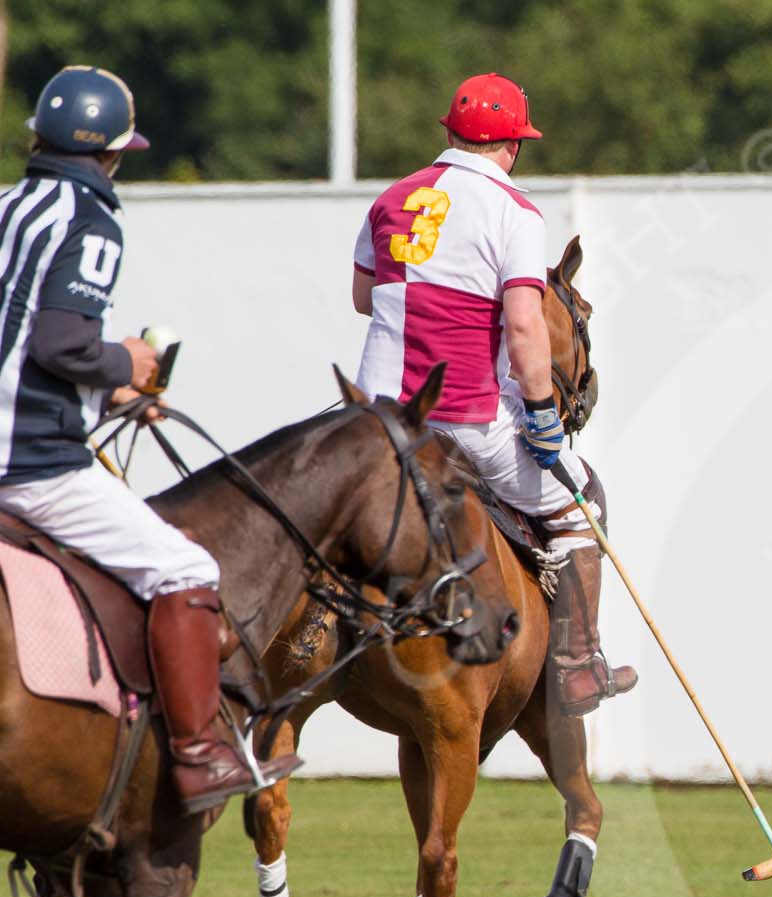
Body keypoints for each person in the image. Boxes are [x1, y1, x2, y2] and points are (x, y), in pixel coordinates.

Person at [0, 67, 297, 811]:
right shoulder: (91, 222)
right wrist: (126, 360)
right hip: (32, 465)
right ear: (112, 154)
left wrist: (109, 389)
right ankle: (199, 755)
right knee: (184, 566)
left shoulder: (7, 206)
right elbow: (61, 346)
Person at [351, 72, 634, 717]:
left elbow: (364, 298)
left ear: (448, 134)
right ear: (513, 146)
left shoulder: (392, 199)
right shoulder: (514, 211)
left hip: (368, 414)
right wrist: (541, 419)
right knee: (579, 498)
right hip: (461, 417)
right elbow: (526, 324)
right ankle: (579, 664)